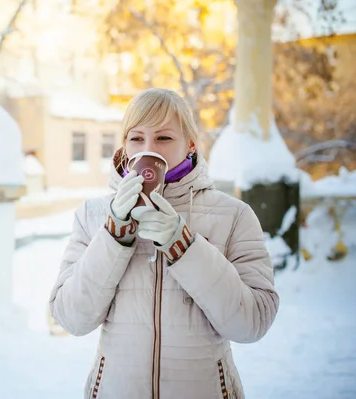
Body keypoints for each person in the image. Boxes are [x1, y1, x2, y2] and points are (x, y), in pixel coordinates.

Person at [49, 88, 279, 399]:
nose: (148, 148)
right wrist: (115, 233)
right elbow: (71, 318)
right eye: (136, 138)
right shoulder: (93, 215)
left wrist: (184, 246)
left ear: (190, 145)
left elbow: (252, 323)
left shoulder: (233, 215)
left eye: (164, 138)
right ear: (124, 145)